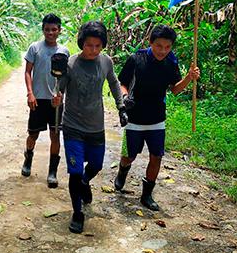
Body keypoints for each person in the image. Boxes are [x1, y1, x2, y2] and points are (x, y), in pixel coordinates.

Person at [52, 21, 128, 234]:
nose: (93, 50)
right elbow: (59, 89)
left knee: (95, 165)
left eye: (98, 46)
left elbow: (113, 83)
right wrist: (56, 99)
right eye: (89, 45)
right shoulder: (71, 64)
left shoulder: (106, 62)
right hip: (73, 125)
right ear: (81, 44)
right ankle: (77, 212)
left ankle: (86, 181)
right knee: (75, 172)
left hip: (96, 126)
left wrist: (121, 106)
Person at [113, 24, 200, 211]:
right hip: (134, 118)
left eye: (168, 47)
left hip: (157, 118)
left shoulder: (171, 63)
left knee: (157, 156)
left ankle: (146, 195)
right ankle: (122, 170)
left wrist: (189, 78)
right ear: (150, 42)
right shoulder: (136, 59)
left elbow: (175, 89)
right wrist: (125, 98)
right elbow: (123, 84)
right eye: (159, 46)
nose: (163, 51)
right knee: (129, 156)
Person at [21, 13, 70, 188]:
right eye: (47, 29)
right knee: (33, 134)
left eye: (54, 29)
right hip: (38, 99)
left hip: (56, 101)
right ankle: (28, 156)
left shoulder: (64, 51)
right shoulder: (35, 48)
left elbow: (65, 77)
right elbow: (28, 72)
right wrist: (30, 93)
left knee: (55, 135)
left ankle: (52, 172)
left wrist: (61, 94)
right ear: (42, 30)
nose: (51, 33)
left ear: (59, 30)